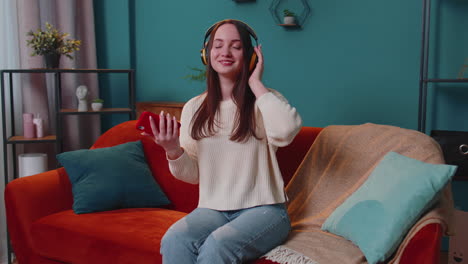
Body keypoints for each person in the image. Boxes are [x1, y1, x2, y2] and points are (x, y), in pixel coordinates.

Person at [148, 19, 302, 263]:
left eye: (236, 46)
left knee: (218, 246)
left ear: (250, 56)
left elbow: (286, 131)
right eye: (218, 46)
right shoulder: (194, 107)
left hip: (265, 210)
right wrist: (173, 150)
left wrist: (255, 83)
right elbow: (193, 174)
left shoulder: (266, 100)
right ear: (206, 54)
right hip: (212, 210)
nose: (225, 53)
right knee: (174, 239)